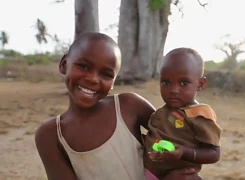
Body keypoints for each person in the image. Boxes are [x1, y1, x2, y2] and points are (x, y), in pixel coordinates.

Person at [35, 32, 200, 180]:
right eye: (84, 66)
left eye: (106, 74)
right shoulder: (51, 136)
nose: (92, 79)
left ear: (114, 81)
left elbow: (176, 139)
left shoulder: (129, 106)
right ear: (64, 64)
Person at [143, 48, 222, 179]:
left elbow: (214, 153)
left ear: (200, 84)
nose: (173, 90)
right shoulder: (163, 111)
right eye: (166, 82)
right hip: (146, 173)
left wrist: (184, 152)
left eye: (184, 83)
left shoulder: (199, 115)